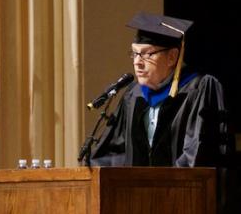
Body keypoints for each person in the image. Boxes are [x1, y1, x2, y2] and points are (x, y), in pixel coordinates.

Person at [89, 11, 228, 167]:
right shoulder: (133, 95)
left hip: (182, 189)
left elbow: (198, 153)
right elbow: (115, 153)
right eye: (134, 53)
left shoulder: (199, 90)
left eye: (147, 54)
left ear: (172, 57)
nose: (137, 62)